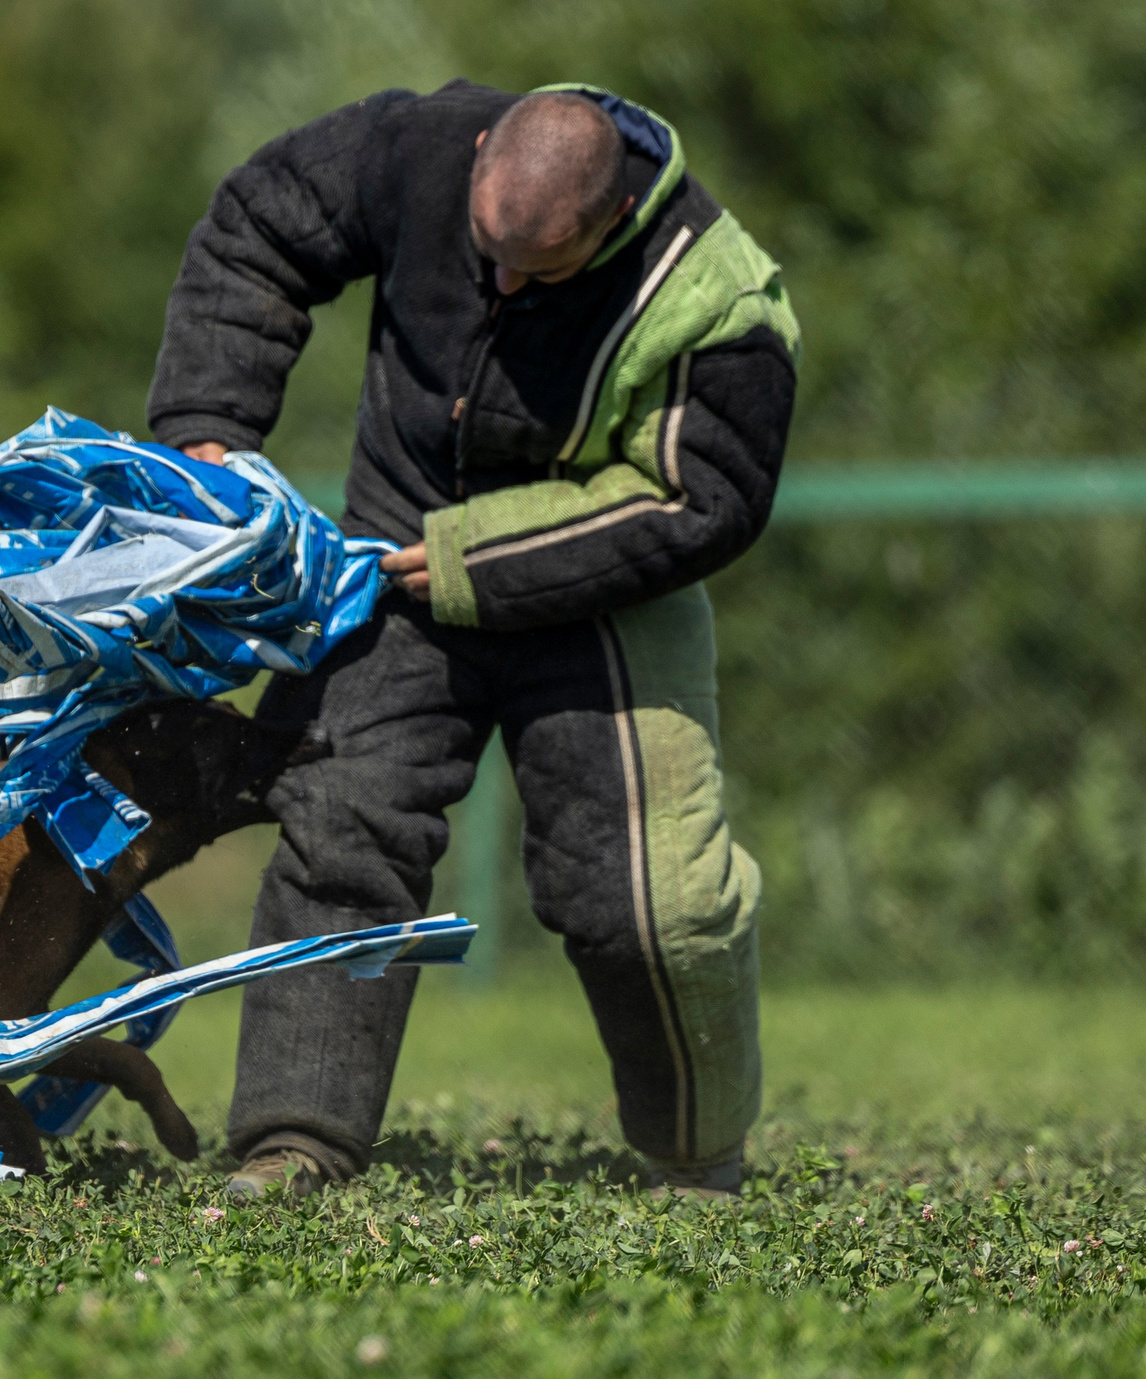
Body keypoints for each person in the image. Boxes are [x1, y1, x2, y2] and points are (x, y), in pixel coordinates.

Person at [146, 82, 798, 1198]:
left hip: (598, 585)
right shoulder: (416, 147)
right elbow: (258, 222)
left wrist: (471, 560)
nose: (497, 284)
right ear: (483, 152)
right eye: (483, 252)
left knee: (644, 895)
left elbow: (698, 501)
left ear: (607, 223)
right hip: (393, 560)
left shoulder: (715, 298)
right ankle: (293, 1142)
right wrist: (208, 428)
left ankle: (698, 1160)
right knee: (337, 825)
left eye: (533, 270)